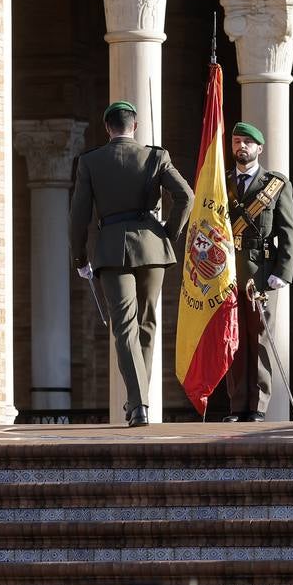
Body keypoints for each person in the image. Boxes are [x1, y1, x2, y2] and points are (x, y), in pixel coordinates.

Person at [69, 101, 194, 427]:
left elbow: (78, 216)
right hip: (152, 246)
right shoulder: (156, 156)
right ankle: (140, 399)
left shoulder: (90, 161)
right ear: (134, 126)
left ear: (107, 128)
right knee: (148, 324)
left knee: (124, 326)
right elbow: (186, 196)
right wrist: (167, 233)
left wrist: (80, 257)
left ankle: (138, 404)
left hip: (112, 249)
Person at [224, 122, 293, 422]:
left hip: (261, 272)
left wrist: (283, 271)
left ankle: (258, 406)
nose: (241, 147)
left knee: (260, 341)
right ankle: (236, 405)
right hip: (228, 274)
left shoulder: (275, 184)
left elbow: (289, 231)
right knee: (234, 339)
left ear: (259, 149)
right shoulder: (223, 181)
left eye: (247, 143)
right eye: (237, 141)